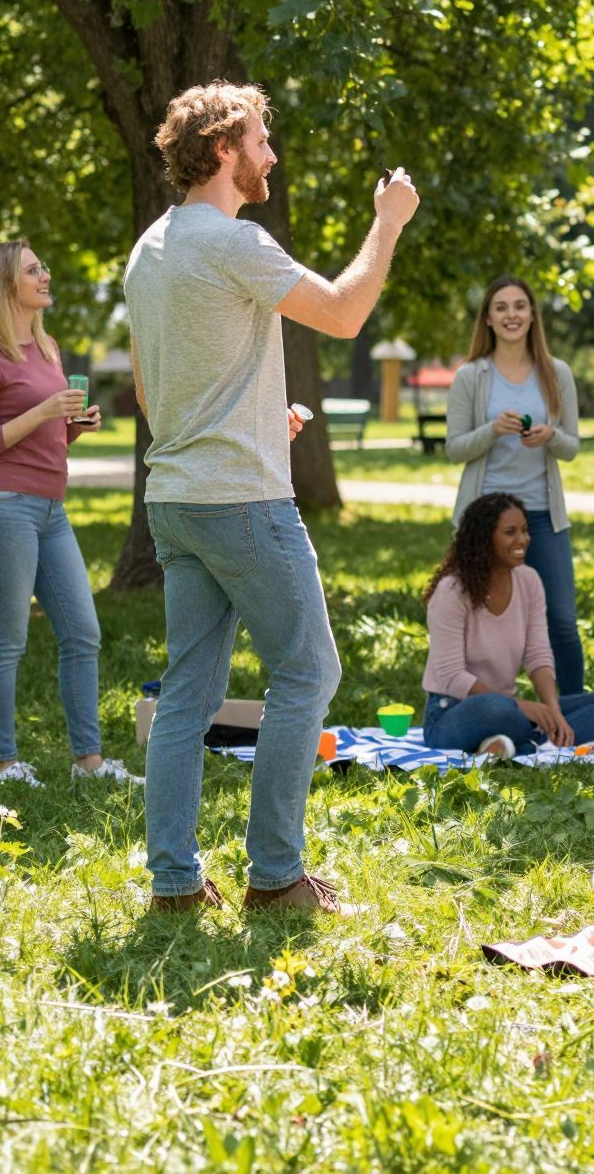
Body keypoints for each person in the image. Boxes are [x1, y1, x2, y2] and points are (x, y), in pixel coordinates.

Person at [124, 80, 418, 915]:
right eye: (259, 139)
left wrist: (255, 418)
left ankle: (175, 888)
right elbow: (347, 312)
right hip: (241, 503)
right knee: (308, 670)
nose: (271, 155)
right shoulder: (232, 240)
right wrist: (387, 219)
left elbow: (155, 392)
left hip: (176, 501)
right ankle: (276, 877)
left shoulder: (151, 249)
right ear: (222, 150)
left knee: (187, 695)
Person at [0, 241, 138, 788]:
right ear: (4, 285)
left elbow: (44, 441)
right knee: (7, 640)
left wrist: (71, 428)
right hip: (2, 510)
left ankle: (88, 763)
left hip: (51, 510)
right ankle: (6, 765)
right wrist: (42, 413)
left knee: (83, 633)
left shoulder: (49, 349)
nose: (44, 274)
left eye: (42, 267)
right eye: (32, 269)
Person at [445, 276, 587, 686]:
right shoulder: (472, 376)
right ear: (488, 318)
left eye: (520, 306)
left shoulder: (556, 373)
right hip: (485, 518)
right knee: (476, 616)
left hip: (542, 516)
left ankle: (569, 711)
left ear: (532, 315)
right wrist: (492, 430)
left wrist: (550, 436)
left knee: (561, 618)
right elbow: (455, 449)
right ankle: (477, 706)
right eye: (502, 307)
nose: (512, 315)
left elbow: (572, 447)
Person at [421, 494, 594, 755]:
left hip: (511, 708)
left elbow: (538, 655)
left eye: (525, 530)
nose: (524, 539)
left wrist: (551, 709)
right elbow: (452, 676)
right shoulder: (451, 592)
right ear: (484, 539)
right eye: (511, 532)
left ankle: (512, 743)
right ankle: (535, 740)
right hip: (454, 712)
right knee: (497, 709)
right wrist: (521, 707)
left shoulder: (529, 581)